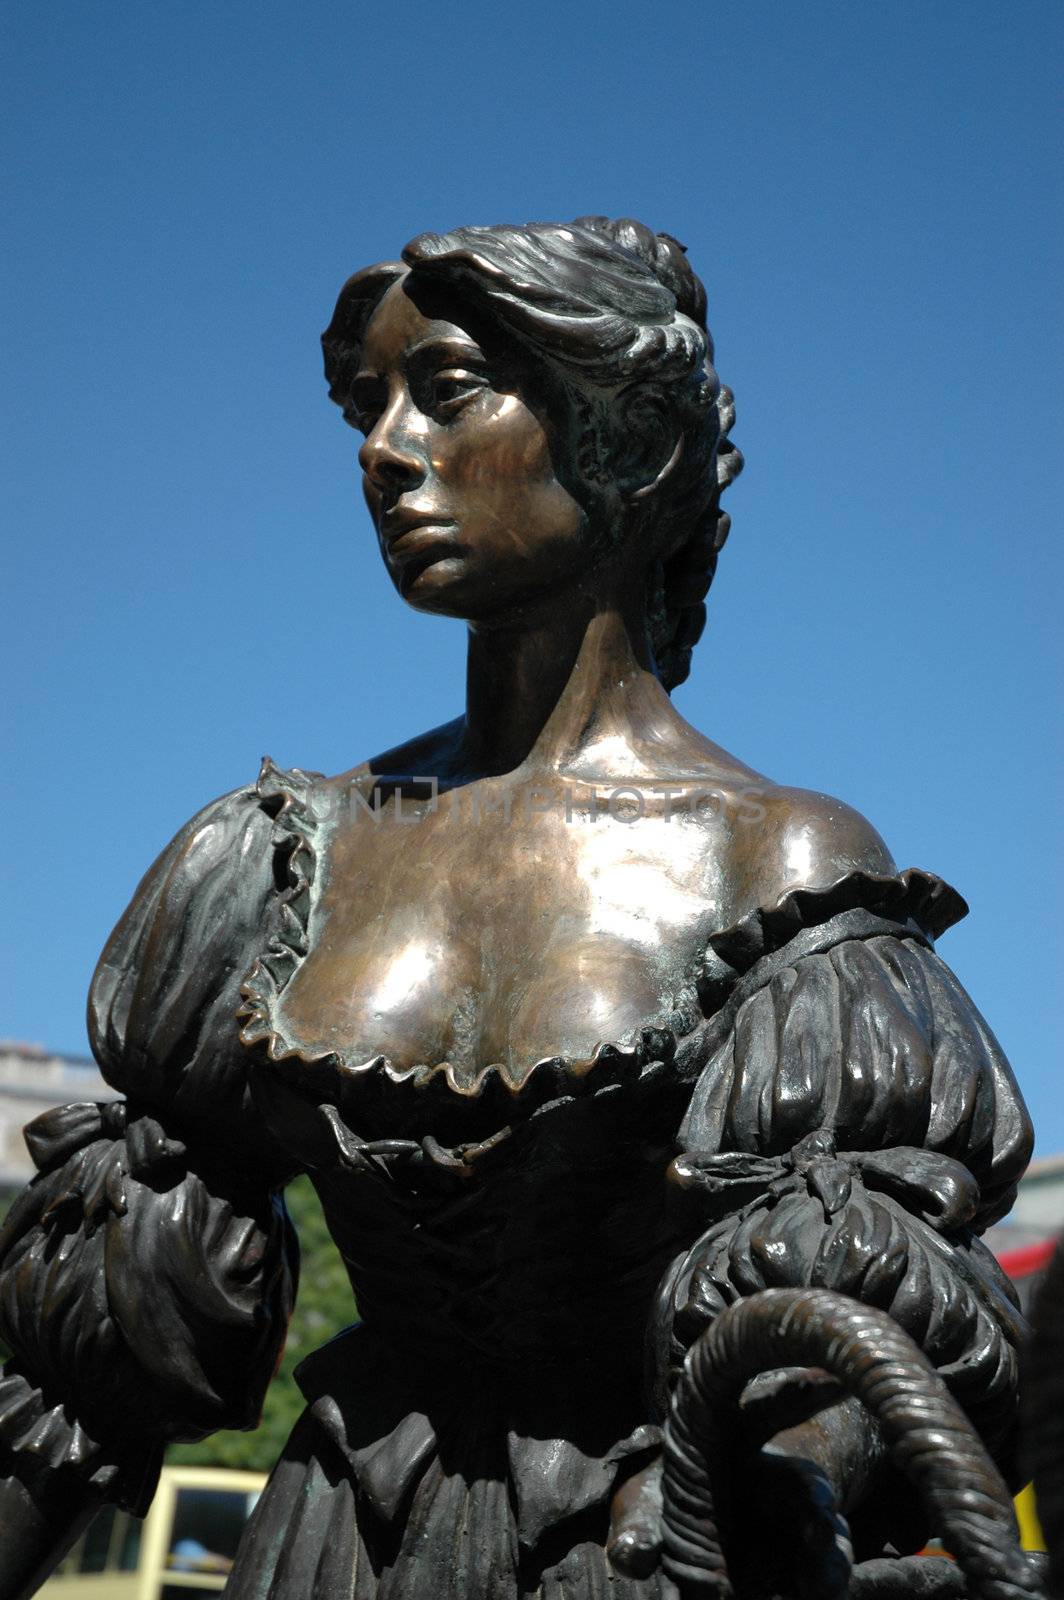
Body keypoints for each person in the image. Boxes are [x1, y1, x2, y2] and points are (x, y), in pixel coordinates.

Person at [0, 218, 1033, 1599]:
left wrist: (789, 1469)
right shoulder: (276, 857)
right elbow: (89, 1358)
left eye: (448, 390)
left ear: (621, 438)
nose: (383, 448)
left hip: (633, 1560)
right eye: (369, 407)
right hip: (326, 1554)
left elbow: (864, 1309)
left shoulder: (776, 869)